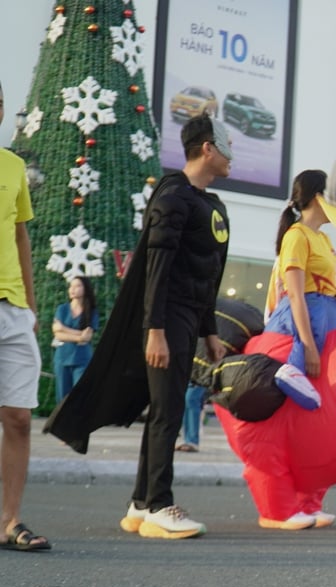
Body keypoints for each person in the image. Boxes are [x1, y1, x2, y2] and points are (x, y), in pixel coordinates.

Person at [46, 113, 231, 541]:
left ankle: (141, 502)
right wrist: (155, 329)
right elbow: (156, 269)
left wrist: (211, 332)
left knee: (164, 412)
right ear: (207, 148)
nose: (231, 156)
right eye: (226, 146)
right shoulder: (173, 197)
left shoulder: (209, 204)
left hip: (186, 320)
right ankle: (160, 504)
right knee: (165, 412)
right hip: (166, 319)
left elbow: (208, 278)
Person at [0, 78, 51, 552]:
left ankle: (9, 520)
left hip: (12, 309)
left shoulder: (13, 167)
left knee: (17, 416)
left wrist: (30, 307)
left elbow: (21, 239)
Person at [264, 169, 336, 413]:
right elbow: (295, 293)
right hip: (309, 311)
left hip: (328, 307)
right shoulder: (296, 236)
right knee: (314, 327)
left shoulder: (324, 239)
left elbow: (322, 283)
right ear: (319, 197)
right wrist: (308, 347)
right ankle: (293, 370)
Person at [51, 276, 99, 402]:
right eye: (71, 286)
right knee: (62, 397)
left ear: (85, 289)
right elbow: (57, 334)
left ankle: (79, 421)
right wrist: (78, 335)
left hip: (82, 358)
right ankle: (61, 422)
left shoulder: (91, 311)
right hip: (62, 357)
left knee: (80, 396)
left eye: (77, 286)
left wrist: (63, 328)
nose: (73, 289)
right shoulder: (62, 309)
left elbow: (87, 337)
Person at [175, 383, 206, 453]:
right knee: (185, 400)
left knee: (191, 398)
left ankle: (192, 441)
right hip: (188, 374)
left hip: (200, 374)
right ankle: (188, 440)